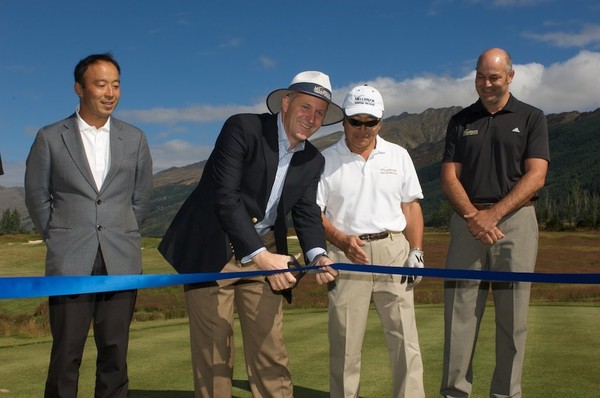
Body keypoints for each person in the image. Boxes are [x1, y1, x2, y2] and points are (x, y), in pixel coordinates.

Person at [158, 71, 342, 398]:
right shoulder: (243, 128)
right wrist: (261, 256)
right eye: (305, 107)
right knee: (215, 354)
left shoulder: (314, 159)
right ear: (285, 103)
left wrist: (318, 254)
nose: (311, 118)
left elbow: (307, 212)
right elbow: (224, 197)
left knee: (270, 351)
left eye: (319, 112)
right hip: (212, 250)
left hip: (265, 253)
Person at [24, 53, 153, 398]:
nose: (110, 92)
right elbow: (37, 197)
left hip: (121, 261)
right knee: (66, 354)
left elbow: (140, 199)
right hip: (70, 261)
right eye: (101, 84)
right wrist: (60, 238)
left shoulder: (136, 138)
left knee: (115, 354)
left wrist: (121, 233)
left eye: (116, 85)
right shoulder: (50, 137)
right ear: (79, 89)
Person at [440, 48, 550, 398]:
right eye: (480, 76)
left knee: (513, 319)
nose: (486, 84)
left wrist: (493, 215)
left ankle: (506, 394)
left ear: (510, 77)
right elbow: (448, 177)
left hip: (516, 223)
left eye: (494, 77)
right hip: (466, 224)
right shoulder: (460, 121)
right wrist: (475, 216)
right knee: (459, 317)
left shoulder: (532, 117)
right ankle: (455, 393)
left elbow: (536, 176)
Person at [316, 85, 426, 398]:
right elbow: (314, 212)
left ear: (380, 122)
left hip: (394, 251)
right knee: (345, 344)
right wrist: (340, 239)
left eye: (370, 122)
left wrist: (416, 251)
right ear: (344, 121)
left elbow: (411, 206)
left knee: (405, 340)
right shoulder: (324, 160)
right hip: (346, 253)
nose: (363, 129)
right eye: (356, 121)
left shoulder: (399, 155)